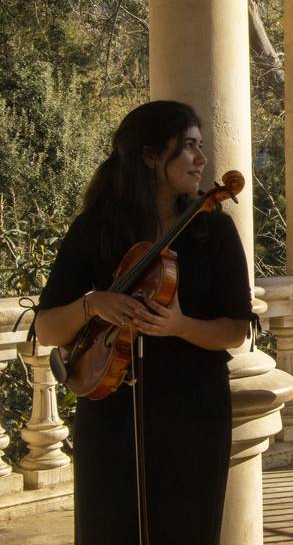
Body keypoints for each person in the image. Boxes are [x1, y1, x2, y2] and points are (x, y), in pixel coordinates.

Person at [34, 100, 252, 545]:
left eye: (201, 146)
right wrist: (92, 304)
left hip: (193, 412)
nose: (201, 159)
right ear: (152, 156)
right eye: (188, 147)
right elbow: (47, 329)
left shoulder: (212, 229)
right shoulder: (95, 229)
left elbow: (237, 329)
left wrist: (179, 325)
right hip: (110, 410)